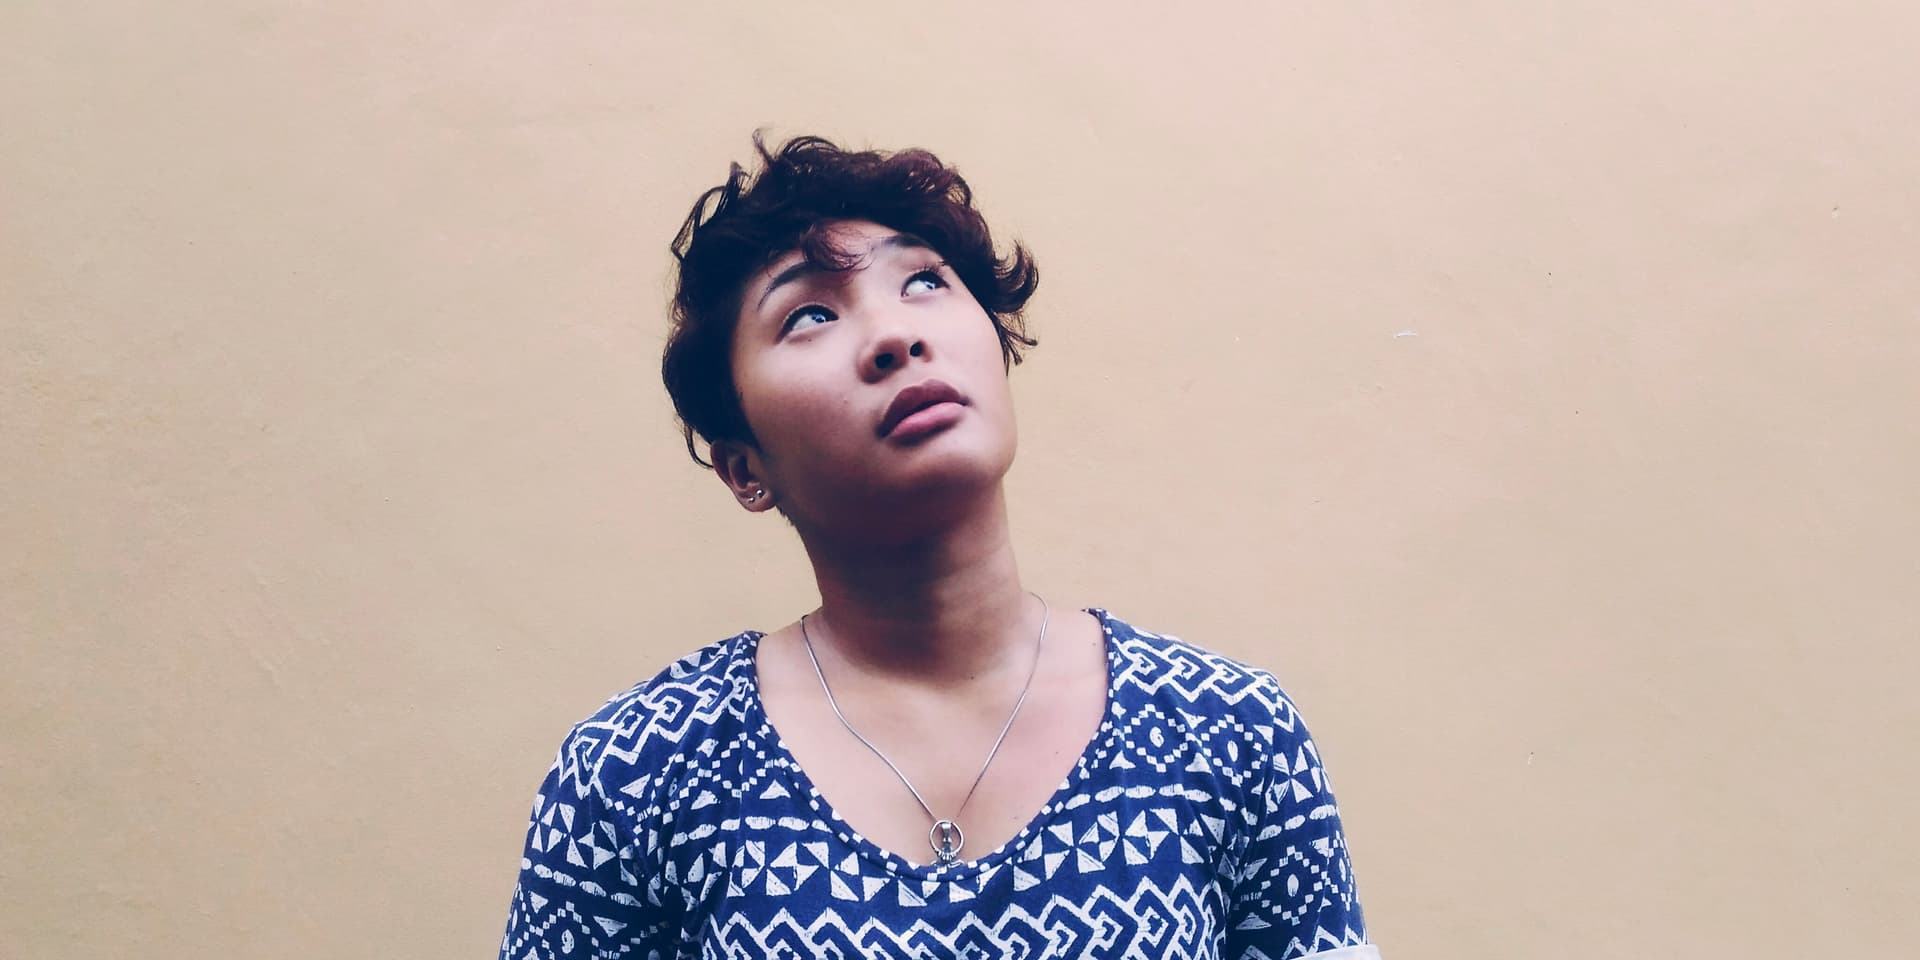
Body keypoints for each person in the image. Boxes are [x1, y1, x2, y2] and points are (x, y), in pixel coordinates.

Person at [497, 134, 1380, 959]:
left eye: (923, 281)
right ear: (743, 466)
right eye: (807, 315)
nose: (895, 335)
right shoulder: (639, 771)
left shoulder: (1228, 732)